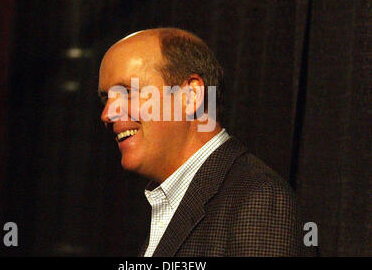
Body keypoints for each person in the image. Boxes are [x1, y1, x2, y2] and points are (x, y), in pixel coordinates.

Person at [98, 28, 310, 256]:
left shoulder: (258, 200)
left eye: (127, 92)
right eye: (105, 99)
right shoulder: (172, 204)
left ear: (190, 96)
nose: (107, 114)